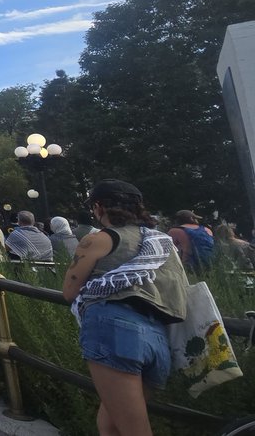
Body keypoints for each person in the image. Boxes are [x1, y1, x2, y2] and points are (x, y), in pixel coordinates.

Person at [62, 179, 188, 436]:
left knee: (134, 431)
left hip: (115, 331)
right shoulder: (161, 242)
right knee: (109, 425)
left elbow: (69, 292)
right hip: (157, 336)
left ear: (98, 207)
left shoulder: (98, 239)